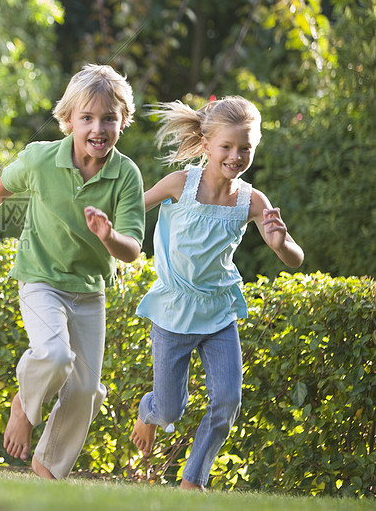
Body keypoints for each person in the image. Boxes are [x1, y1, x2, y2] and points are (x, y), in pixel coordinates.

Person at [0, 63, 145, 479]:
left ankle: (48, 469)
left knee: (87, 389)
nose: (98, 128)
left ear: (123, 121)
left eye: (109, 118)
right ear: (68, 120)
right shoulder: (41, 158)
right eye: (87, 118)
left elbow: (133, 249)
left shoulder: (126, 176)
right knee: (54, 355)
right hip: (40, 280)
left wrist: (108, 236)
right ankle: (24, 407)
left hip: (89, 291)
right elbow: (4, 182)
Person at [129, 96, 304, 490]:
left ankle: (194, 479)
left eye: (246, 148)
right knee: (171, 407)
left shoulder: (252, 201)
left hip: (219, 312)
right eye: (227, 146)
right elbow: (133, 209)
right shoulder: (180, 184)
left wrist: (280, 244)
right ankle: (150, 410)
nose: (236, 155)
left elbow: (295, 258)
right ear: (206, 145)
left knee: (227, 401)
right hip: (174, 310)